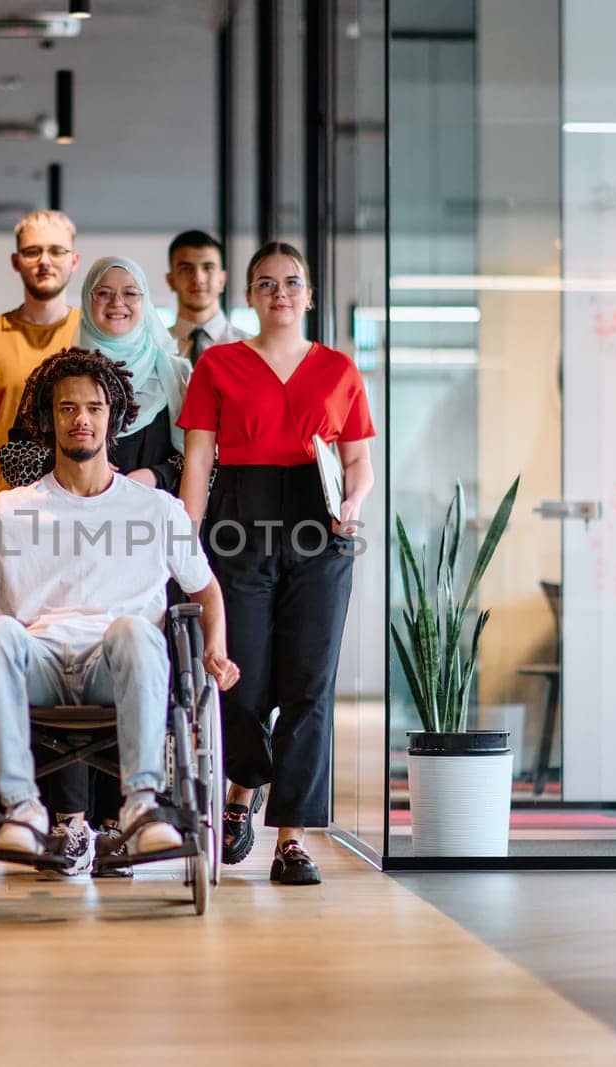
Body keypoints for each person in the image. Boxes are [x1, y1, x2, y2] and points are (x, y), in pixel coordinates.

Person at [0, 348, 240, 861]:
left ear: (114, 417)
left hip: (118, 665)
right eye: (67, 408)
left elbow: (206, 589)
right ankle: (23, 807)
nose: (81, 419)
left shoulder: (156, 510)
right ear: (49, 418)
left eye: (93, 407)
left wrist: (214, 650)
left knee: (135, 629)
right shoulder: (10, 511)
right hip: (34, 667)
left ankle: (142, 805)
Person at [176, 241, 376, 887]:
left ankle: (292, 837)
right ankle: (245, 787)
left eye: (292, 283)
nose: (280, 293)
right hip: (239, 523)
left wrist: (353, 502)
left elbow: (358, 461)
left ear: (309, 295)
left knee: (308, 686)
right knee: (238, 676)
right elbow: (200, 459)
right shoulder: (220, 362)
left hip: (320, 530)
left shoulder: (339, 368)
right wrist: (186, 539)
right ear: (251, 294)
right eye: (266, 283)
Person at [0, 255, 192, 874]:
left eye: (130, 293)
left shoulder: (173, 373)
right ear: (87, 300)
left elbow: (197, 467)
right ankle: (71, 824)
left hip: (138, 531)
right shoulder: (61, 371)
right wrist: (72, 486)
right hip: (60, 534)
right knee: (60, 625)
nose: (117, 303)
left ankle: (125, 821)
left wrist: (144, 483)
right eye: (103, 293)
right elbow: (17, 460)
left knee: (126, 634)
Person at [0, 209, 83, 514]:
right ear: (16, 261)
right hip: (1, 506)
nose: (44, 261)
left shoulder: (91, 336)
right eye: (32, 251)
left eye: (56, 250)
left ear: (74, 261)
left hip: (78, 503)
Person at [166, 230, 245, 363]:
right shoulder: (154, 349)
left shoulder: (249, 350)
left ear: (222, 280)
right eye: (186, 268)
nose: (198, 278)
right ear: (171, 280)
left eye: (208, 268)